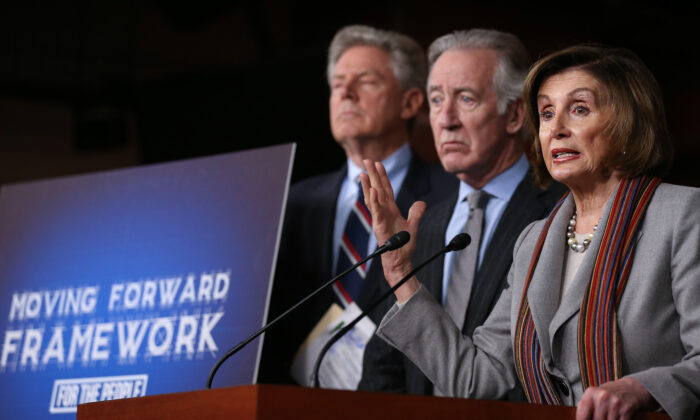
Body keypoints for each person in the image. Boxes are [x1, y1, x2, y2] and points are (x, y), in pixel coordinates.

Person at [361, 44, 699, 420]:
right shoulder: (533, 241)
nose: (556, 129)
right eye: (547, 113)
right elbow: (477, 378)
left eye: (579, 109)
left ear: (628, 122)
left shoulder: (684, 215)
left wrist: (644, 388)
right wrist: (399, 274)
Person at [358, 29, 566, 397]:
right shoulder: (413, 227)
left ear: (515, 113)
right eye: (436, 100)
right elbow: (382, 369)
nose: (445, 119)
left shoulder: (561, 213)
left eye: (466, 99)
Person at [257, 25, 457, 385]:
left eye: (366, 81)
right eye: (337, 84)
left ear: (410, 102)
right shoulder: (292, 204)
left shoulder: (450, 194)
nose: (346, 93)